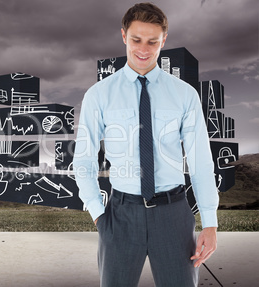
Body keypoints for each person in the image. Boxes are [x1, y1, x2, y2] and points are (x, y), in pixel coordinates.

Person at [73, 3, 218, 287]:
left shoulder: (185, 95)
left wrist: (210, 223)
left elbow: (201, 161)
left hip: (173, 214)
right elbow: (84, 159)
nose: (144, 48)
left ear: (164, 40)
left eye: (153, 41)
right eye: (137, 39)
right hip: (120, 215)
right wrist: (98, 216)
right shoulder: (99, 95)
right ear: (124, 36)